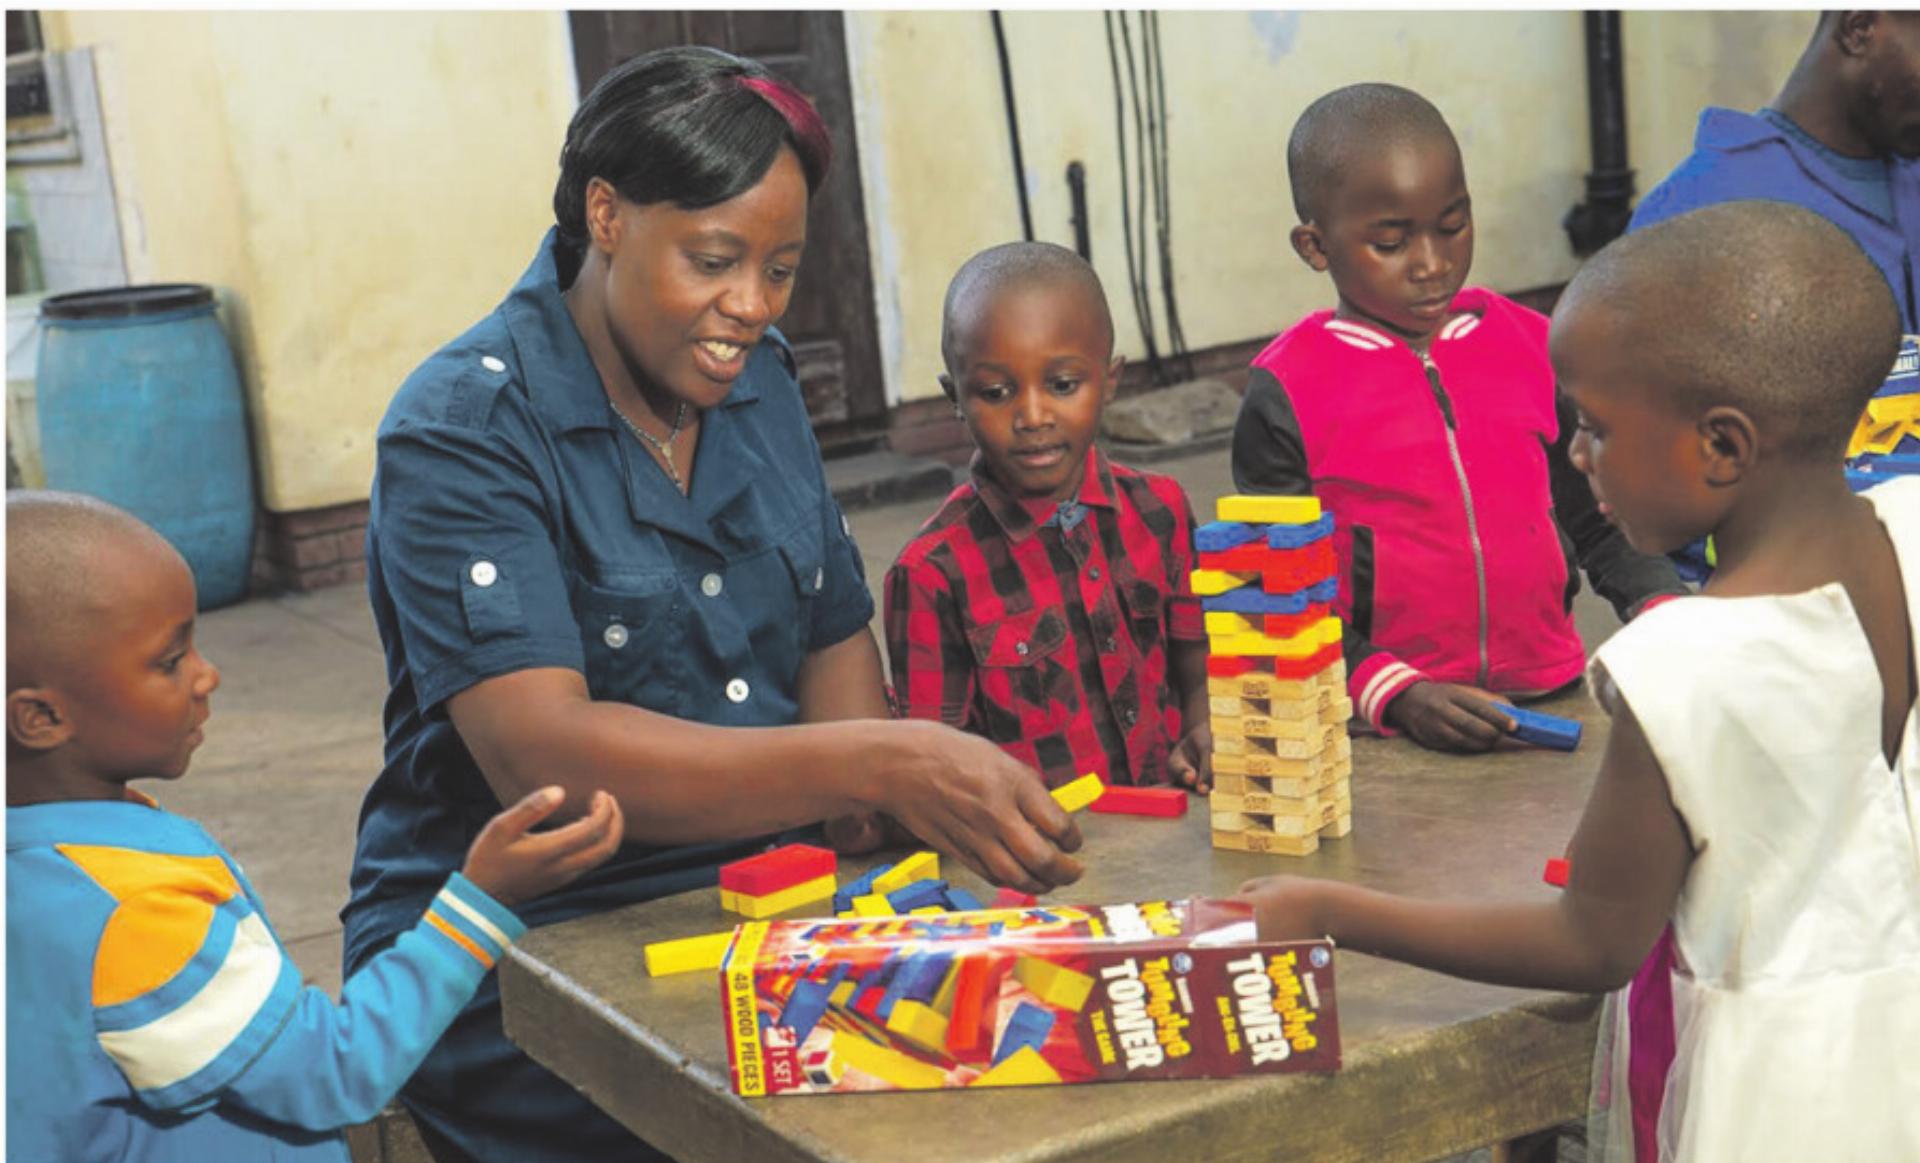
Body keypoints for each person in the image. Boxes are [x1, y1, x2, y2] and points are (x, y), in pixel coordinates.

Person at [344, 47, 1083, 1163]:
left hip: (774, 897)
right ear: (606, 214)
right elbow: (546, 759)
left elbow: (830, 628)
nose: (750, 306)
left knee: (1045, 1046)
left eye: (779, 269)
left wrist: (875, 817)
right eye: (714, 260)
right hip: (529, 945)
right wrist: (874, 764)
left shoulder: (757, 379)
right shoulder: (465, 429)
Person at [1238, 201, 1920, 1162]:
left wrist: (1326, 912)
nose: (1574, 452)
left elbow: (1594, 941)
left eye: (1596, 427)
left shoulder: (1682, 667)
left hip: (1764, 1102)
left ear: (1723, 447)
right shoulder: (1908, 530)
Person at [4, 491, 626, 1162]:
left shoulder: (45, 867)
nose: (207, 675)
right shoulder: (138, 913)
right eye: (170, 659)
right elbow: (336, 1072)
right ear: (42, 718)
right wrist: (481, 900)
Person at [1231, 83, 1684, 754]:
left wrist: (1662, 608)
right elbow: (1275, 588)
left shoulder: (1534, 346)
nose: (1432, 264)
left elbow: (1598, 516)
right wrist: (1396, 692)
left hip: (1552, 697)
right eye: (1391, 242)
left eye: (1453, 226)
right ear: (1315, 246)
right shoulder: (1287, 389)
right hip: (1384, 726)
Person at [885, 242, 1211, 792]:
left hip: (1182, 819)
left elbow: (1198, 663)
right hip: (1041, 840)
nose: (1032, 417)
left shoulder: (1162, 510)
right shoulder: (930, 574)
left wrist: (1203, 732)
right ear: (954, 396)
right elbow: (934, 768)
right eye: (996, 392)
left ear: (1110, 380)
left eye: (1062, 385)